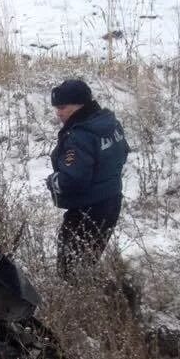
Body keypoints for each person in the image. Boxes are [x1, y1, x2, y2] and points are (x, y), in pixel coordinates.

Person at [45, 79, 130, 280]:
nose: (58, 112)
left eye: (63, 107)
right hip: (111, 203)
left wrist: (54, 181)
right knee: (86, 262)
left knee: (70, 269)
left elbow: (73, 179)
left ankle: (97, 303)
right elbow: (123, 152)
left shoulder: (80, 135)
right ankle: (109, 298)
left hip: (87, 211)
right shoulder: (109, 124)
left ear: (80, 105)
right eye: (56, 108)